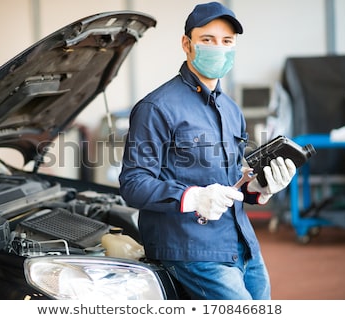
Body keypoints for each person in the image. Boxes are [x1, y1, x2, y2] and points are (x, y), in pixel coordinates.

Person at [119, 1, 296, 300]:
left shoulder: (231, 110)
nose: (219, 48)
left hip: (241, 244)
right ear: (186, 44)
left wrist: (259, 186)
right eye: (207, 40)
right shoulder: (156, 108)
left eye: (227, 42)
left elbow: (229, 179)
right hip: (191, 249)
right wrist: (194, 197)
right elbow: (133, 184)